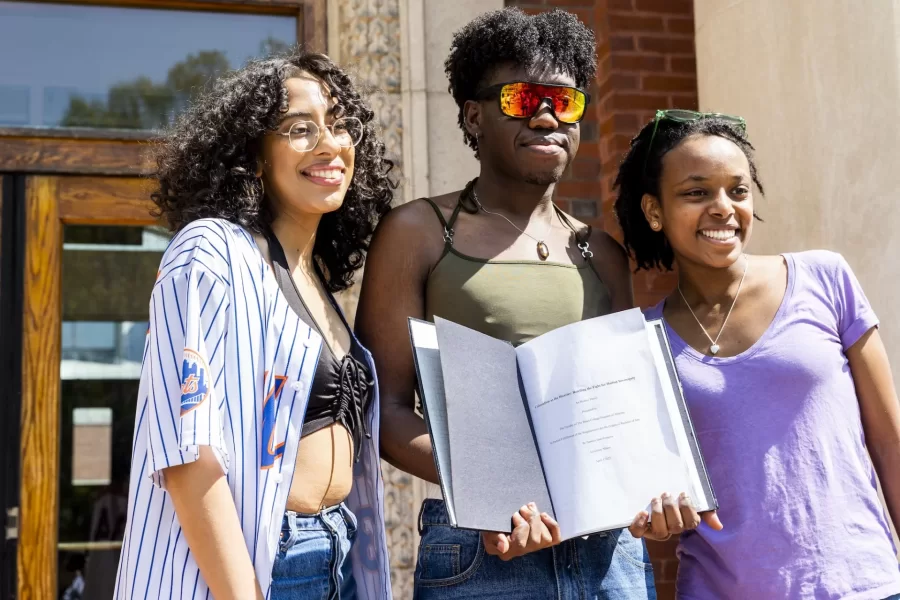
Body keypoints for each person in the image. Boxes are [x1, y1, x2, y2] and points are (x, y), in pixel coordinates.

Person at [356, 9, 718, 599]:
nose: (547, 115)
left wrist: (650, 490)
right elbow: (388, 411)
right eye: (524, 98)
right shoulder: (418, 232)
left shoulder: (601, 252)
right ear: (474, 115)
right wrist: (501, 489)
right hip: (485, 546)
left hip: (607, 552)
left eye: (565, 101)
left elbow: (624, 416)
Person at [113, 49, 395, 600]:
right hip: (259, 566)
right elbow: (186, 452)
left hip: (339, 551)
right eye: (299, 129)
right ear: (255, 156)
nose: (329, 144)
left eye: (339, 126)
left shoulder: (316, 277)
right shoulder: (210, 252)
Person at [613, 109, 900, 599]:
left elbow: (890, 443)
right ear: (654, 211)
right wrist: (653, 517)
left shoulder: (825, 279)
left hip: (862, 585)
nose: (723, 207)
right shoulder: (640, 342)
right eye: (696, 192)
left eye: (737, 190)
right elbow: (643, 493)